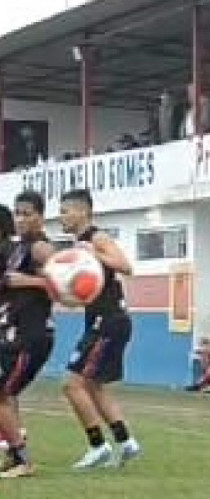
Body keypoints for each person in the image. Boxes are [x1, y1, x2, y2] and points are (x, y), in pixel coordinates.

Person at [59, 189, 141, 471]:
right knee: (93, 385)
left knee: (71, 384)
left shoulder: (96, 238)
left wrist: (95, 253)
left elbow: (126, 266)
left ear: (83, 211)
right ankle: (126, 442)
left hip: (108, 320)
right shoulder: (77, 244)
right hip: (101, 319)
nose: (62, 216)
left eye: (66, 210)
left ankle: (98, 446)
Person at [0, 196, 51, 477]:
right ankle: (14, 454)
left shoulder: (41, 247)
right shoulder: (19, 249)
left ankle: (22, 459)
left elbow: (63, 282)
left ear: (40, 217)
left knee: (3, 393)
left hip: (31, 335)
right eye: (17, 213)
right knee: (6, 394)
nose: (20, 219)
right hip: (15, 333)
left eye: (27, 214)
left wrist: (30, 281)